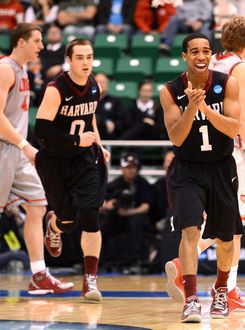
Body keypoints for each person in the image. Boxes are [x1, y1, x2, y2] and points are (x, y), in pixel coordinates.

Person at [164, 16, 245, 313]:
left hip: (205, 147)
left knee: (226, 224)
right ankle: (225, 287)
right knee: (234, 226)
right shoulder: (241, 68)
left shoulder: (212, 65)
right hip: (230, 151)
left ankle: (217, 281)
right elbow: (243, 121)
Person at [160, 32, 242, 322]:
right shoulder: (170, 91)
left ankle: (220, 290)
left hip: (221, 167)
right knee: (190, 231)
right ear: (184, 56)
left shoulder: (227, 84)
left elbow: (233, 128)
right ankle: (191, 298)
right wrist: (192, 107)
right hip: (187, 168)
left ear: (211, 54)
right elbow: (177, 137)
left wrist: (205, 108)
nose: (201, 56)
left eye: (206, 51)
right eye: (194, 51)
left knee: (226, 237)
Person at [34, 38, 110, 302]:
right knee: (68, 222)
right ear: (69, 59)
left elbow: (89, 118)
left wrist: (98, 143)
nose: (86, 62)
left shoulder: (94, 86)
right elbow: (41, 131)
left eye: (89, 57)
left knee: (90, 214)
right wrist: (77, 140)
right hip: (55, 161)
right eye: (80, 57)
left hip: (85, 160)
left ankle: (90, 280)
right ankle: (54, 226)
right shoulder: (56, 89)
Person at [0, 23, 74, 294]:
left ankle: (38, 274)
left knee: (38, 205)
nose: (42, 47)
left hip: (15, 150)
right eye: (37, 41)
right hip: (4, 148)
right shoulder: (5, 69)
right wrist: (24, 145)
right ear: (21, 42)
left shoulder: (24, 71)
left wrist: (25, 146)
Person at [100, 153, 154, 273]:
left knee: (135, 223)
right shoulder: (114, 184)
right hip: (117, 218)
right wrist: (107, 205)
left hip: (136, 218)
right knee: (101, 224)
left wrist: (130, 212)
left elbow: (146, 206)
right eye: (127, 167)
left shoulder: (142, 184)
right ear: (121, 168)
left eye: (133, 167)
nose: (130, 171)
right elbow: (100, 202)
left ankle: (135, 262)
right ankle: (102, 261)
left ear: (137, 168)